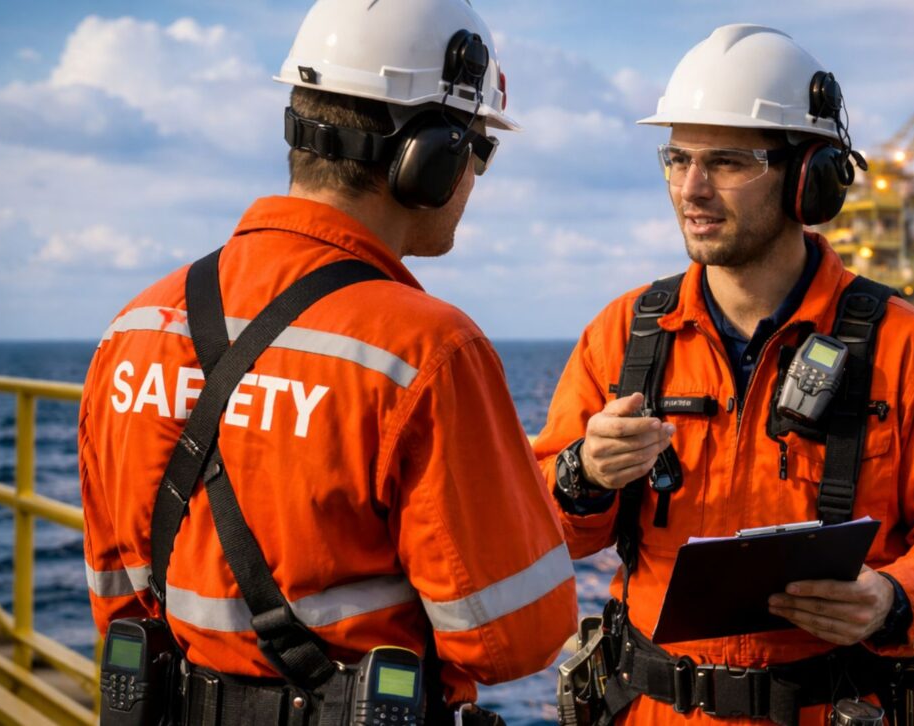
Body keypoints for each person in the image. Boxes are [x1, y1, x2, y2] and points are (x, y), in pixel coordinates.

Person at [79, 0, 576, 722]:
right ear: (429, 160)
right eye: (478, 148)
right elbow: (516, 638)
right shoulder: (427, 350)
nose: (475, 174)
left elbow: (116, 600)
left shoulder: (133, 328)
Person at [533, 24, 914, 725]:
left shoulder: (907, 349)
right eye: (678, 159)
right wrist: (582, 472)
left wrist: (894, 599)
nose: (692, 189)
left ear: (808, 180)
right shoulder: (623, 336)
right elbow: (543, 528)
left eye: (727, 162)